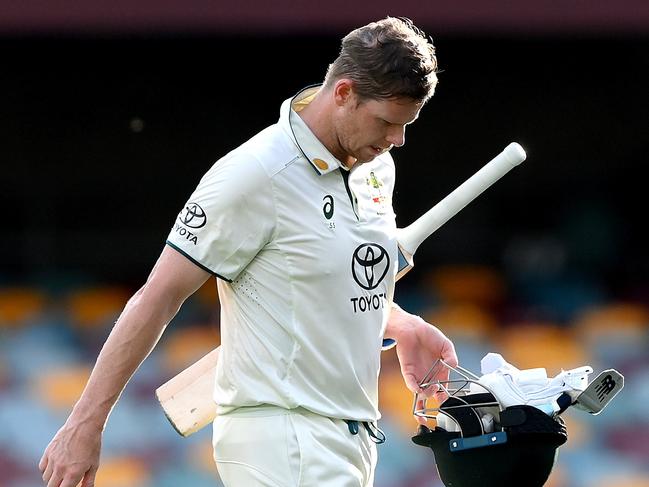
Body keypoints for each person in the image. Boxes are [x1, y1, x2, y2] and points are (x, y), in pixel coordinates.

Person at [39, 16, 458, 487]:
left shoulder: (374, 167)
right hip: (282, 437)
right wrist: (84, 425)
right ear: (343, 93)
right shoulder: (256, 173)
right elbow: (156, 297)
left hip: (352, 436)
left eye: (406, 126)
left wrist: (398, 323)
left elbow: (312, 287)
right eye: (386, 122)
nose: (396, 140)